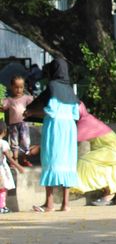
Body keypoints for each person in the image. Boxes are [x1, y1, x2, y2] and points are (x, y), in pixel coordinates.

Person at [24, 58, 79, 213]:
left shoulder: (52, 86)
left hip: (55, 127)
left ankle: (49, 204)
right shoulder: (70, 89)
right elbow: (76, 113)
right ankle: (66, 204)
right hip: (69, 129)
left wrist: (30, 112)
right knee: (67, 162)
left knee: (51, 160)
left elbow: (48, 109)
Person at [72, 101, 116, 206]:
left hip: (113, 150)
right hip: (112, 151)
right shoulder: (86, 119)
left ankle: (110, 193)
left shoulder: (86, 122)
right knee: (102, 167)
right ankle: (114, 192)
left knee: (85, 161)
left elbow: (72, 140)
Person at [3, 75, 35, 166]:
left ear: (24, 87)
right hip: (13, 124)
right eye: (16, 87)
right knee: (14, 142)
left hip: (24, 123)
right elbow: (3, 107)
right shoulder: (9, 100)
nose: (19, 90)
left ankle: (24, 159)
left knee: (25, 141)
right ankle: (15, 160)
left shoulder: (27, 98)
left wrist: (31, 111)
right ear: (11, 87)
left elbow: (34, 104)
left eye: (21, 87)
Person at [0, 122, 26, 214]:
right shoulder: (3, 143)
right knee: (2, 188)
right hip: (1, 169)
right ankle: (2, 207)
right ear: (4, 131)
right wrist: (19, 167)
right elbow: (9, 158)